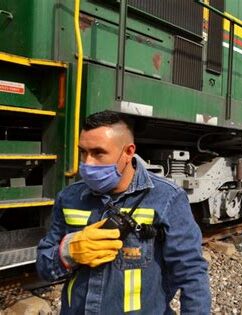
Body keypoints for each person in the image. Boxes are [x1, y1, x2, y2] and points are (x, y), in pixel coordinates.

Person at [36, 110, 211, 314]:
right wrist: (68, 253)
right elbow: (43, 265)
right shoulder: (69, 197)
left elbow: (192, 274)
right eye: (83, 152)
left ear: (128, 152)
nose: (87, 163)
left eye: (98, 153)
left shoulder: (167, 198)